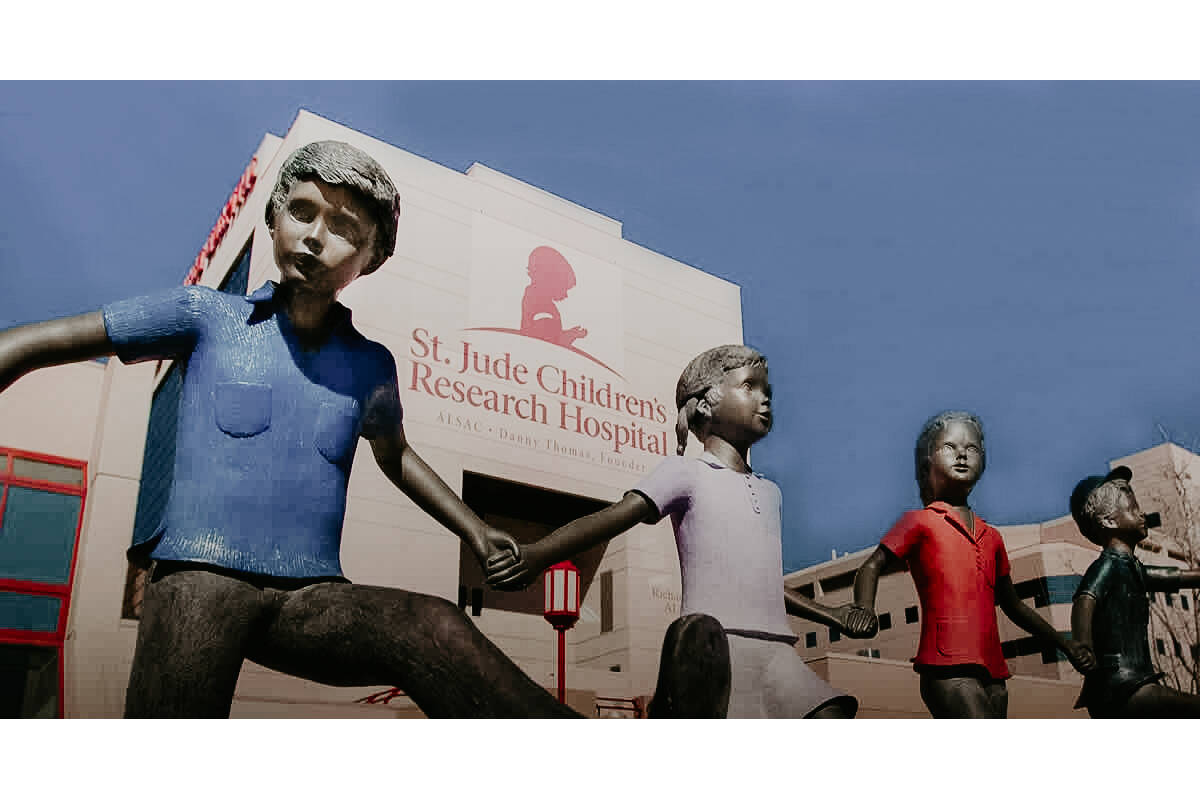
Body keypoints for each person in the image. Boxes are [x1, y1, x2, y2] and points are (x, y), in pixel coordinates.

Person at [0, 140, 578, 718]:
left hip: (310, 596)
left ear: (371, 258)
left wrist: (476, 531)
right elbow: (28, 343)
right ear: (273, 216)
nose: (315, 237)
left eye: (344, 228)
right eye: (302, 212)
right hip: (199, 576)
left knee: (433, 625)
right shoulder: (205, 316)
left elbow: (396, 455)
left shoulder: (370, 366)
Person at [487, 344, 866, 718]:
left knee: (830, 711)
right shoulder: (685, 473)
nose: (764, 398)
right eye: (749, 386)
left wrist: (831, 614)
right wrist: (538, 554)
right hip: (716, 647)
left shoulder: (771, 493)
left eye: (767, 390)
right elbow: (614, 518)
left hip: (780, 652)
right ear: (705, 404)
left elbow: (765, 584)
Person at [851, 410, 1094, 718]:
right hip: (945, 666)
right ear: (926, 461)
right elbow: (872, 566)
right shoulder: (919, 522)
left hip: (994, 670)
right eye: (949, 447)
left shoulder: (992, 537)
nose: (962, 454)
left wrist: (1066, 644)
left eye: (972, 448)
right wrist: (864, 607)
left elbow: (1014, 605)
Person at [1069, 466, 1200, 717]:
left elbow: (1180, 576)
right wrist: (1083, 644)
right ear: (1108, 521)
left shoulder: (1135, 569)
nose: (1142, 514)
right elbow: (1085, 600)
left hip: (1135, 682)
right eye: (1132, 509)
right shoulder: (1107, 566)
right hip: (1119, 687)